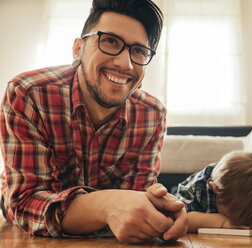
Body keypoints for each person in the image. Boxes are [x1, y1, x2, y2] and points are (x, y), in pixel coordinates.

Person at [0, 0, 187, 244]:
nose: (125, 63)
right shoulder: (28, 94)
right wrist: (107, 205)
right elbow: (26, 203)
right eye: (110, 41)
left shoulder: (152, 114)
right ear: (78, 49)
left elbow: (138, 199)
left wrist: (161, 212)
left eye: (139, 51)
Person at [175, 151, 252, 232]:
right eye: (230, 215)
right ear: (215, 190)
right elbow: (181, 219)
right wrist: (223, 222)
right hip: (179, 195)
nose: (238, 223)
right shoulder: (197, 188)